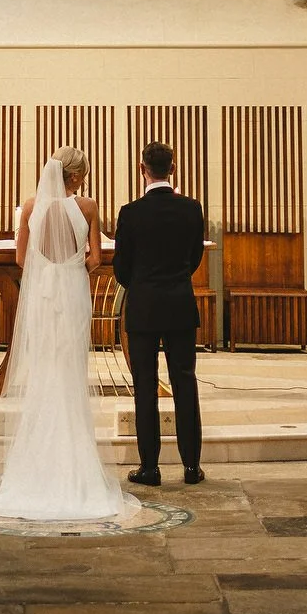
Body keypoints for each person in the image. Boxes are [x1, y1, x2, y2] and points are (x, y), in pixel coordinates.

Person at [0, 148, 134, 525]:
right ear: (75, 177)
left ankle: (37, 459)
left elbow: (20, 259)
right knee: (71, 370)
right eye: (83, 176)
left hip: (43, 296)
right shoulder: (88, 207)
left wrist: (47, 269)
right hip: (73, 292)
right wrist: (74, 263)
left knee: (44, 368)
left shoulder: (31, 207)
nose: (84, 182)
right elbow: (95, 258)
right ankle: (74, 456)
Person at [113, 140, 206, 487]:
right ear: (173, 168)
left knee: (145, 386)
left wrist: (142, 282)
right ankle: (192, 466)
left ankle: (149, 467)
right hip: (181, 303)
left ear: (142, 169)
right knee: (185, 382)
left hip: (144, 306)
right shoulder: (191, 208)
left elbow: (121, 267)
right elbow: (195, 256)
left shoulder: (131, 212)